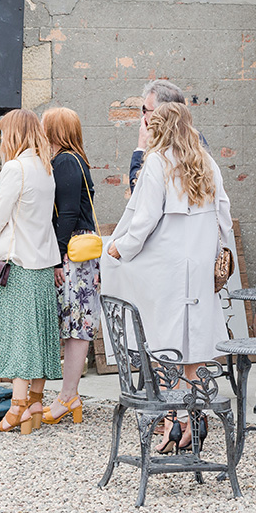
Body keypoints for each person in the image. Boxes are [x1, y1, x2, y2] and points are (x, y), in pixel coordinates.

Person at [104, 102, 232, 451]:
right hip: (199, 263)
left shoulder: (157, 162)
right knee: (192, 345)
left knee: (165, 343)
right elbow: (224, 213)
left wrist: (120, 248)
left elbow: (144, 219)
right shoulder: (207, 161)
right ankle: (195, 419)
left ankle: (173, 422)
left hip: (167, 265)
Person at [0, 109, 63, 433]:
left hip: (18, 265)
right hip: (42, 263)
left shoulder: (15, 168)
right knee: (38, 336)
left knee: (20, 339)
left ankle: (17, 408)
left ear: (13, 133)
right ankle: (36, 403)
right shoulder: (45, 167)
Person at [40, 107, 100, 425]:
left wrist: (57, 258)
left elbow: (67, 214)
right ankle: (69, 394)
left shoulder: (64, 161)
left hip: (73, 254)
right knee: (78, 324)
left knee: (76, 326)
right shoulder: (79, 160)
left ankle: (68, 396)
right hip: (82, 252)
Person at [129, 79, 195, 187]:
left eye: (145, 109)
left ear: (160, 113)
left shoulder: (158, 158)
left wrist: (141, 149)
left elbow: (139, 196)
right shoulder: (201, 152)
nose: (143, 114)